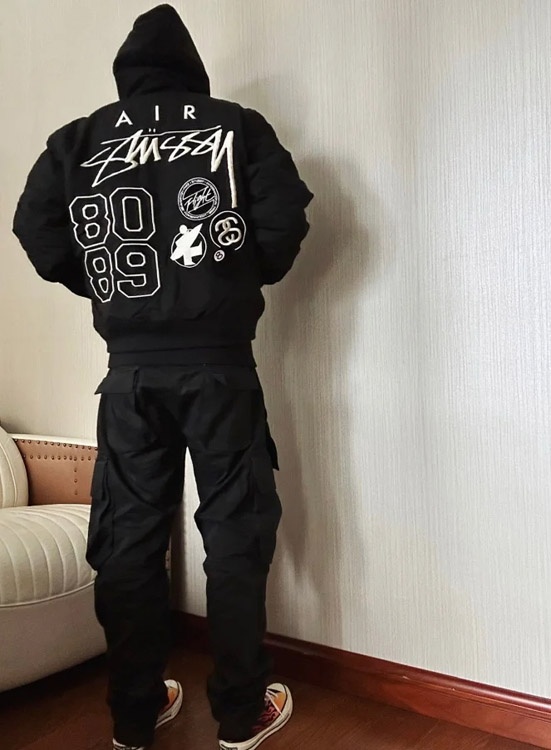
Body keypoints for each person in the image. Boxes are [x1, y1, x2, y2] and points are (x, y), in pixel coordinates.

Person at [12, 5, 313, 750]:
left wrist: (110, 287)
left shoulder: (77, 139)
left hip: (129, 378)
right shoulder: (236, 125)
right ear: (191, 73)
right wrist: (231, 278)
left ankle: (135, 714)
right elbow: (286, 221)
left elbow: (35, 230)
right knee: (235, 534)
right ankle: (241, 713)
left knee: (128, 540)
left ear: (126, 75)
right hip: (220, 370)